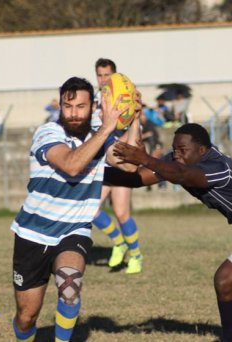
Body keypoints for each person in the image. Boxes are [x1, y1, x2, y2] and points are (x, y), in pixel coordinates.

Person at [110, 123, 232, 342]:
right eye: (174, 149)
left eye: (183, 150)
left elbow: (183, 175)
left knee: (224, 281)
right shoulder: (177, 161)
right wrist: (90, 175)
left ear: (202, 150)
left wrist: (145, 158)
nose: (176, 154)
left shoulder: (218, 166)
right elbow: (137, 179)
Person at [10, 77, 139, 342]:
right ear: (60, 105)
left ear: (92, 106)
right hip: (33, 233)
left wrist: (134, 119)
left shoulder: (99, 132)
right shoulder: (48, 133)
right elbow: (71, 164)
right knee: (27, 317)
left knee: (70, 290)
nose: (74, 113)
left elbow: (130, 164)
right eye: (67, 106)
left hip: (74, 230)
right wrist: (105, 130)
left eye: (81, 106)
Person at [90, 57, 144, 274]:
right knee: (91, 210)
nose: (103, 79)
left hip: (120, 162)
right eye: (100, 75)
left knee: (122, 212)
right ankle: (119, 242)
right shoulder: (95, 101)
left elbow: (135, 137)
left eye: (107, 75)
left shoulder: (127, 98)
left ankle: (136, 255)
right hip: (103, 165)